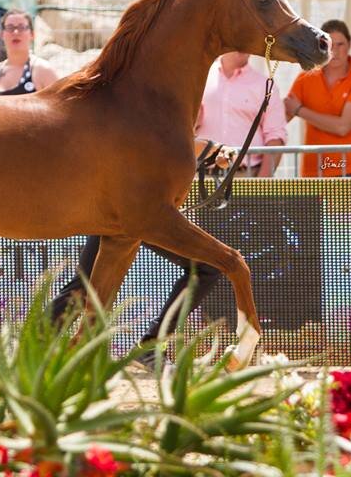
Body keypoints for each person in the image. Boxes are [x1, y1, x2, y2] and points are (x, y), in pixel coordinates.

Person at [50, 139, 235, 367]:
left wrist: (210, 151)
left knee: (84, 284)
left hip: (134, 211)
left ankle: (35, 347)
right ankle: (150, 347)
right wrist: (209, 148)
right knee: (84, 283)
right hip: (133, 213)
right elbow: (157, 138)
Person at [284, 19, 351, 176]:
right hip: (314, 171)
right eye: (329, 44)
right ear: (321, 46)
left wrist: (299, 111)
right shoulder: (305, 78)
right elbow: (280, 119)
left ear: (350, 45)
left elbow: (343, 127)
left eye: (340, 44)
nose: (335, 51)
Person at [196, 51, 287, 177]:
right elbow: (181, 128)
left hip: (246, 176)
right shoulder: (198, 77)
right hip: (200, 176)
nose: (242, 45)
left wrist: (262, 184)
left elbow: (275, 135)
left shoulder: (265, 85)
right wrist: (193, 123)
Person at [0, 9, 58, 96]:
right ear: (2, 35)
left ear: (32, 34)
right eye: (10, 27)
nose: (15, 32)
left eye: (21, 27)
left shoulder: (44, 71)